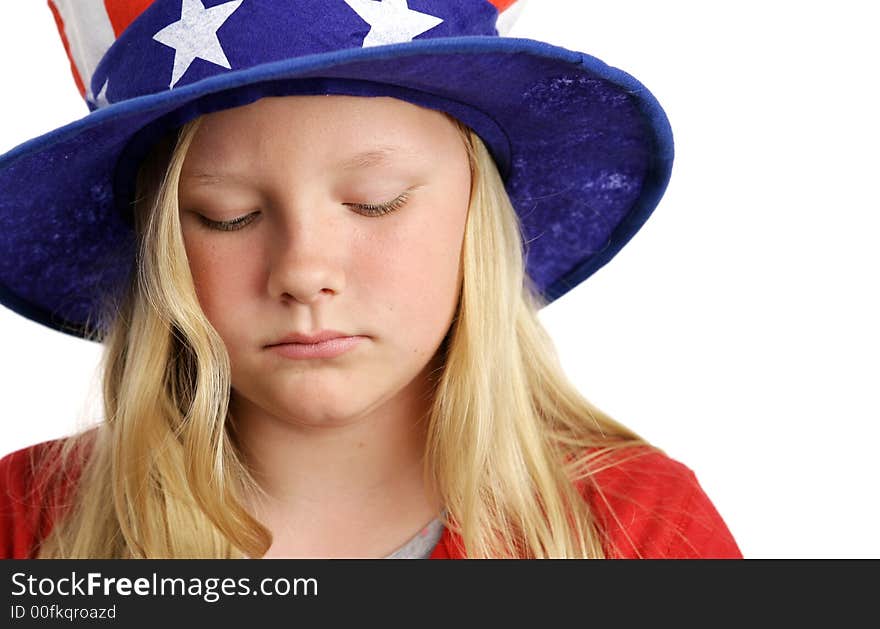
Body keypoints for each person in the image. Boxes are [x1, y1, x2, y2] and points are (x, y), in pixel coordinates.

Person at [0, 0, 740, 559]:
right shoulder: (28, 526)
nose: (304, 272)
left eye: (375, 200)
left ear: (477, 216)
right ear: (158, 241)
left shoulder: (639, 530)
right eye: (227, 214)